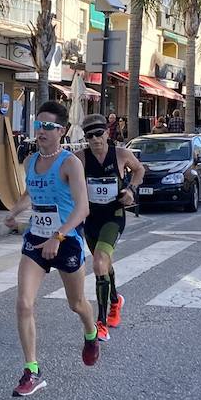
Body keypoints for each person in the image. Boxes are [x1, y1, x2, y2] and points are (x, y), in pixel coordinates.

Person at [3, 101, 100, 397]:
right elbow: (30, 193)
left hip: (65, 240)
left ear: (62, 130)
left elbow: (82, 209)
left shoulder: (71, 163)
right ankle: (32, 370)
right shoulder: (30, 161)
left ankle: (91, 333)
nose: (41, 131)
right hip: (36, 239)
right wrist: (13, 212)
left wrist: (57, 237)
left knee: (77, 303)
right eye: (38, 125)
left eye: (48, 126)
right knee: (24, 303)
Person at [79, 113, 145, 341]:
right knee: (104, 264)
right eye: (90, 136)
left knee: (99, 261)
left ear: (107, 133)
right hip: (91, 218)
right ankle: (116, 301)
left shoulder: (120, 154)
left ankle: (101, 322)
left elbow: (140, 170)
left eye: (99, 134)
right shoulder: (80, 158)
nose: (95, 139)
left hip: (113, 216)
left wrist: (131, 189)